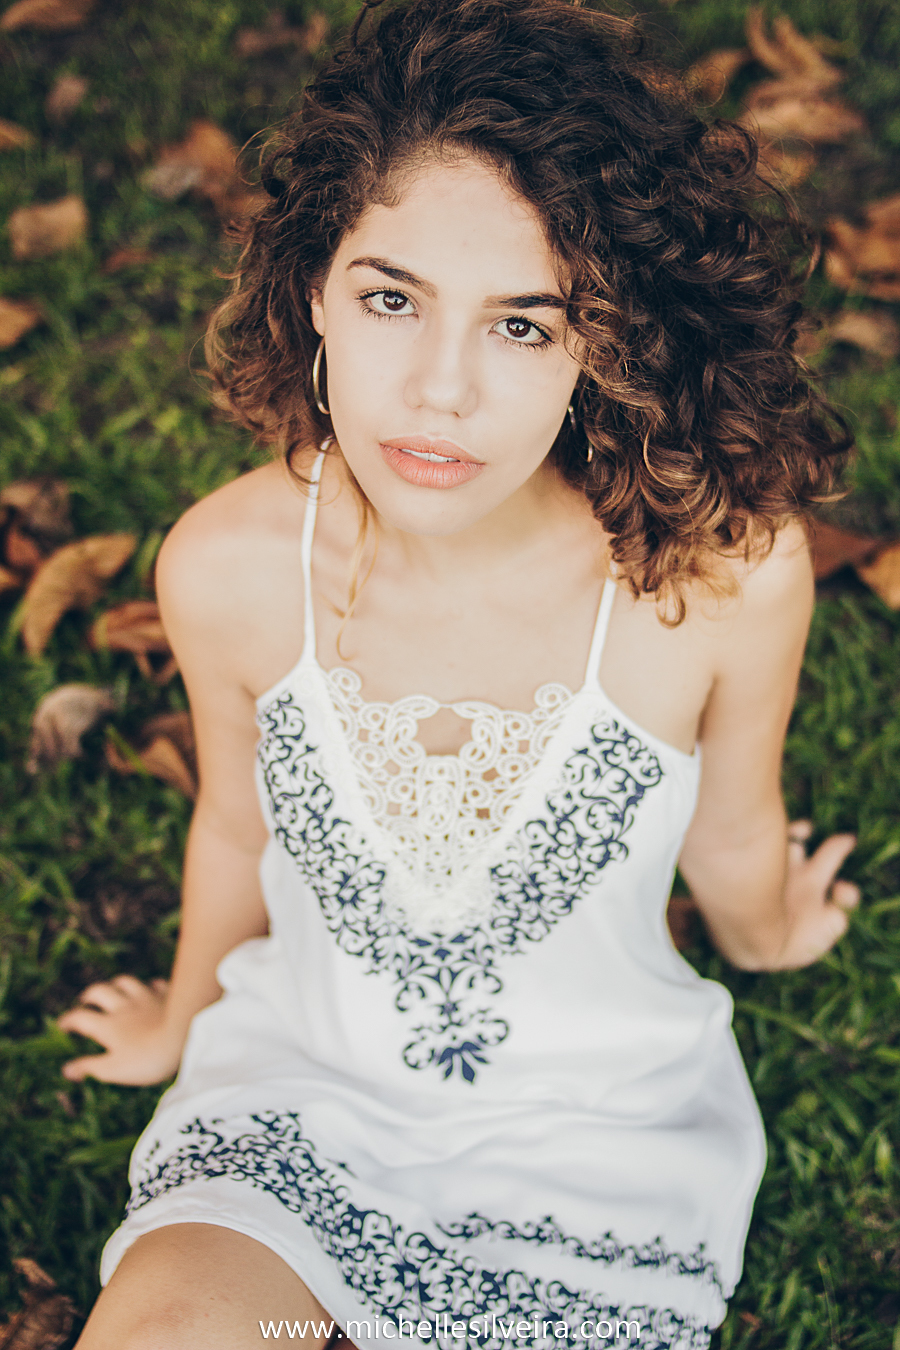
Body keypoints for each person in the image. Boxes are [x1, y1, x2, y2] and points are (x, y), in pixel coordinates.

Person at [58, 0, 860, 1346]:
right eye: (392, 298)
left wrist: (774, 925)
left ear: (605, 341)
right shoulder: (225, 566)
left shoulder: (717, 575)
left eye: (523, 326)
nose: (440, 391)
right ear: (313, 286)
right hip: (295, 1114)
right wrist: (180, 1020)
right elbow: (234, 824)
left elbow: (730, 832)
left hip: (594, 1145)